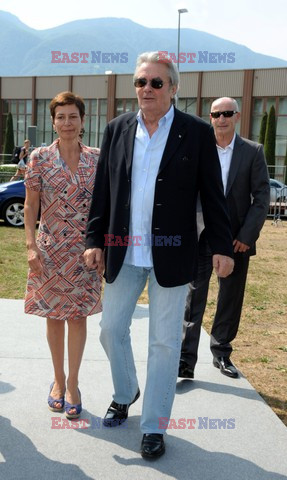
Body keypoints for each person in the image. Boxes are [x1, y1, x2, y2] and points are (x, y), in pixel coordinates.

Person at [84, 52, 234, 459]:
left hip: (173, 254)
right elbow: (103, 190)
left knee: (165, 344)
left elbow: (213, 195)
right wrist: (93, 240)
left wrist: (222, 245)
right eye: (139, 82)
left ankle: (153, 426)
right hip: (122, 252)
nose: (145, 90)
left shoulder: (195, 132)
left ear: (173, 88)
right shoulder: (117, 129)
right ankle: (126, 390)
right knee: (110, 330)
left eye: (154, 83)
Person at [179, 97, 270, 380]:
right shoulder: (198, 148)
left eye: (227, 113)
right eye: (216, 114)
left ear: (237, 116)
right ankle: (185, 361)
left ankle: (221, 353)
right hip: (201, 236)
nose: (222, 119)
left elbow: (262, 197)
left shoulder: (253, 152)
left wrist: (247, 235)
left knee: (230, 298)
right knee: (193, 298)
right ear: (210, 117)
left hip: (235, 240)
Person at [24, 91, 102, 419]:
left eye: (73, 116)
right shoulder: (39, 158)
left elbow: (104, 208)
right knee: (54, 317)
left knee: (78, 316)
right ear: (53, 122)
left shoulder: (97, 159)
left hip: (85, 253)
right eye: (61, 117)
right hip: (50, 251)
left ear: (82, 121)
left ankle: (73, 383)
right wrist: (30, 246)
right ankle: (57, 381)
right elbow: (30, 207)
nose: (67, 122)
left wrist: (102, 248)